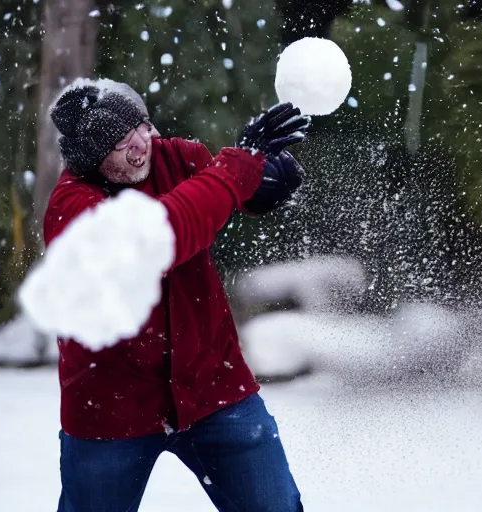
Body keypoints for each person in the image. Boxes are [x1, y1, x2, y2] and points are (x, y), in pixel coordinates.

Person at [45, 78, 309, 512]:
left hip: (214, 389)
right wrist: (233, 171)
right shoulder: (70, 210)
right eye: (119, 143)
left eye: (142, 128)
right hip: (110, 409)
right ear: (90, 159)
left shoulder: (177, 158)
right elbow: (158, 238)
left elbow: (220, 192)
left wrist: (262, 185)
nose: (140, 147)